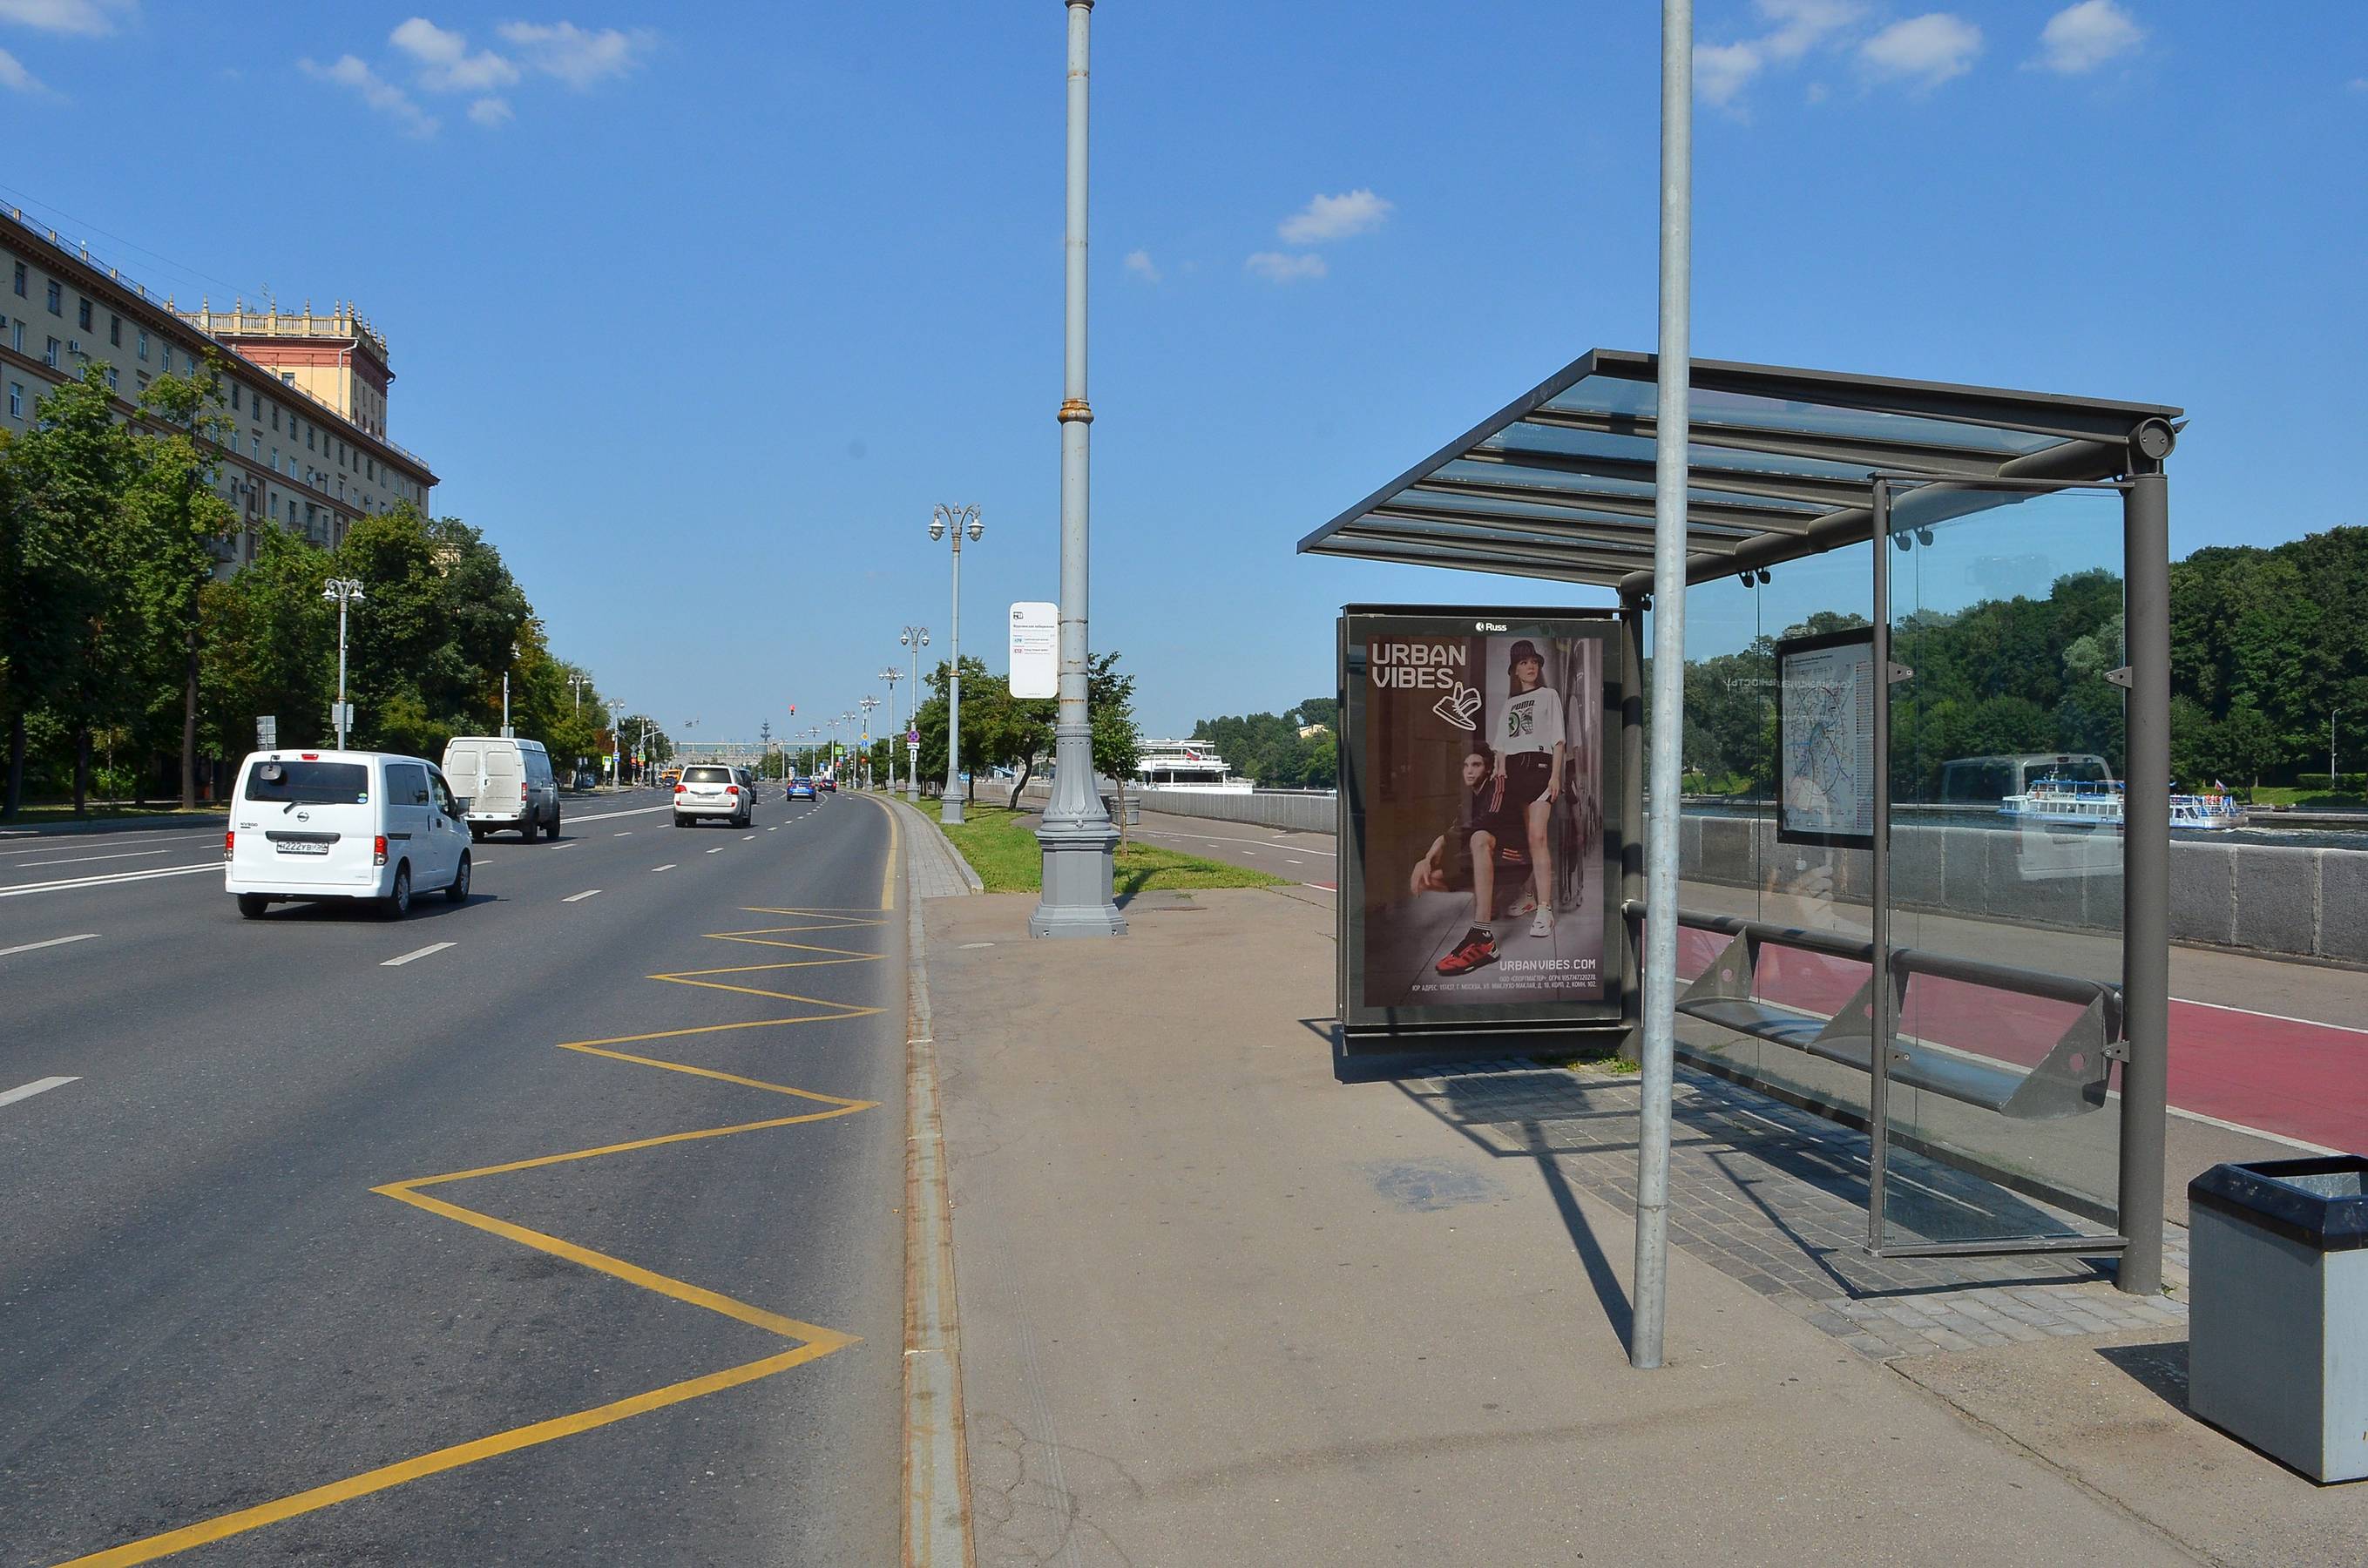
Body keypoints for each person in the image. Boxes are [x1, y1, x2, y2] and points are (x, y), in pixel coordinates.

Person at [1411, 743, 1522, 975]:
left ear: (1488, 768)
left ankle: (1483, 935)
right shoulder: (1469, 799)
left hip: (1515, 858)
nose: (1469, 770)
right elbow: (1451, 833)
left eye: (1476, 765)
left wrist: (1446, 840)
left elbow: (1487, 819)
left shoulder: (1496, 786)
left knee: (1479, 837)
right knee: (1428, 878)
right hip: (1491, 860)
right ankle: (1489, 900)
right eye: (1466, 765)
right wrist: (1426, 859)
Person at [1491, 639, 1565, 940]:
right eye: (1524, 662)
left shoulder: (1549, 695)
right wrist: (1499, 769)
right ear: (1515, 670)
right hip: (1515, 772)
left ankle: (1545, 909)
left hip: (1540, 767)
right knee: (1528, 840)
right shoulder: (1510, 703)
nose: (1530, 666)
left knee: (1538, 837)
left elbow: (1558, 740)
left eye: (1534, 661)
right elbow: (1500, 745)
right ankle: (1530, 895)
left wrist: (1555, 776)